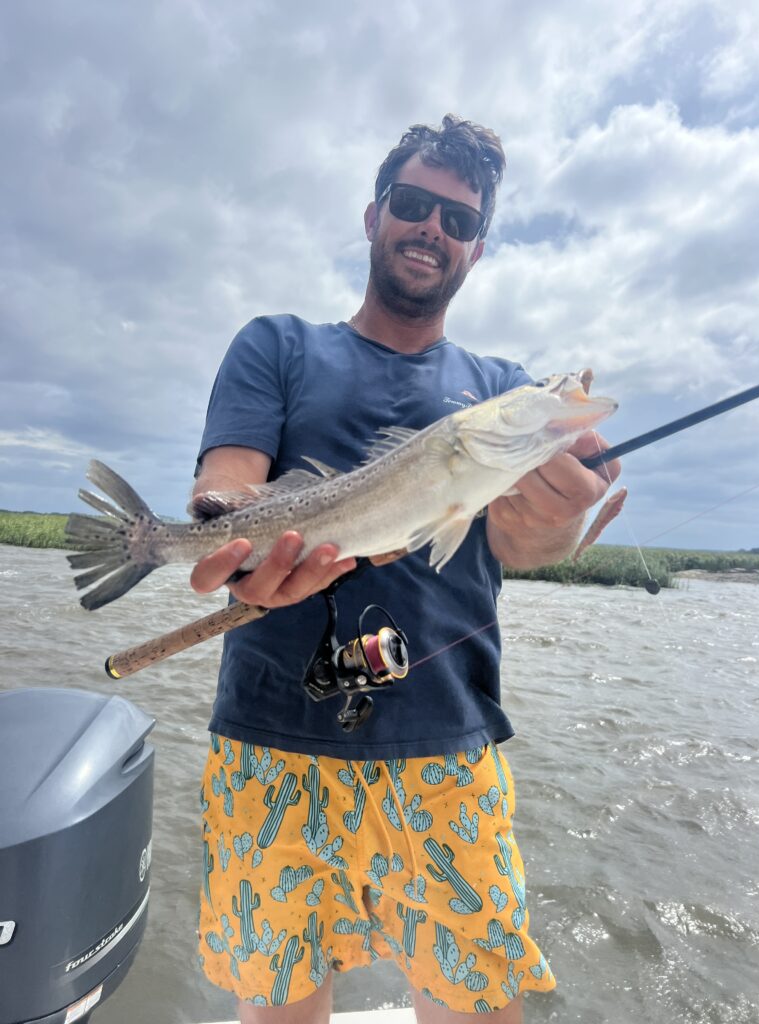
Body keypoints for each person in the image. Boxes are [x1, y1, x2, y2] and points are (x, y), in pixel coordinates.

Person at [191, 115, 619, 1024]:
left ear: (476, 248)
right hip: (272, 742)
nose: (433, 228)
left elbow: (519, 545)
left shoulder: (502, 390)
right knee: (278, 1005)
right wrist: (224, 543)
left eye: (458, 220)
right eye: (416, 205)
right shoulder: (278, 345)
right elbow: (227, 483)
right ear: (375, 214)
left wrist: (559, 515)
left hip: (448, 744)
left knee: (481, 1005)